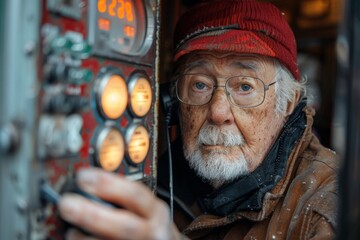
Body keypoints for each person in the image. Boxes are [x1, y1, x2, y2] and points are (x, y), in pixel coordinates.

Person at [58, 0, 338, 239]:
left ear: (287, 102)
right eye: (200, 85)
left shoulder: (328, 204)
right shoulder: (156, 176)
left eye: (244, 87)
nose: (218, 112)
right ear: (172, 100)